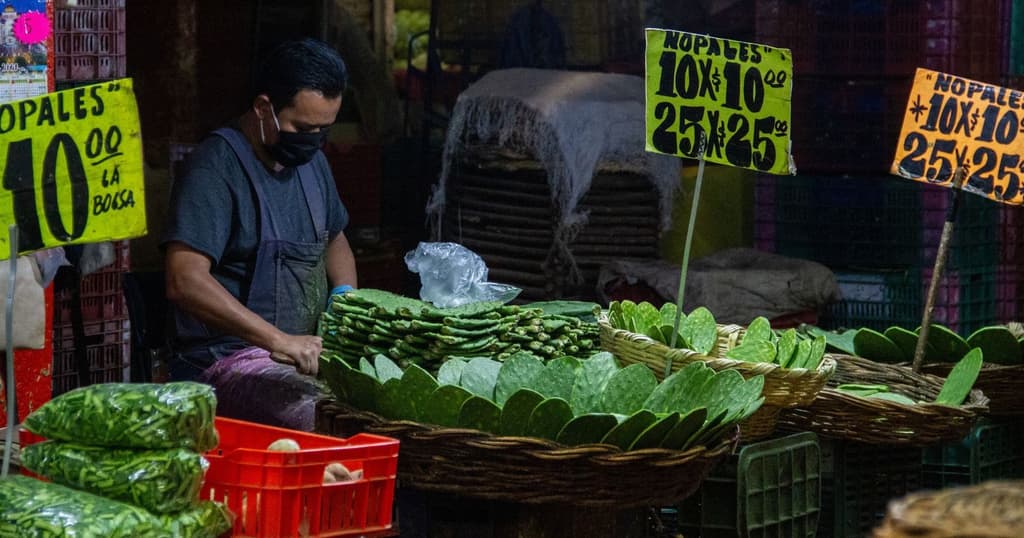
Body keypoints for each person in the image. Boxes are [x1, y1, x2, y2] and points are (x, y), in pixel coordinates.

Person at [163, 38, 357, 384]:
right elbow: (184, 280)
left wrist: (344, 297)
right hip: (224, 360)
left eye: (323, 130)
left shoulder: (313, 164)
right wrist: (278, 340)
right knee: (310, 407)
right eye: (303, 129)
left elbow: (334, 239)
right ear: (263, 108)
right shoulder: (214, 168)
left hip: (301, 353)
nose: (313, 141)